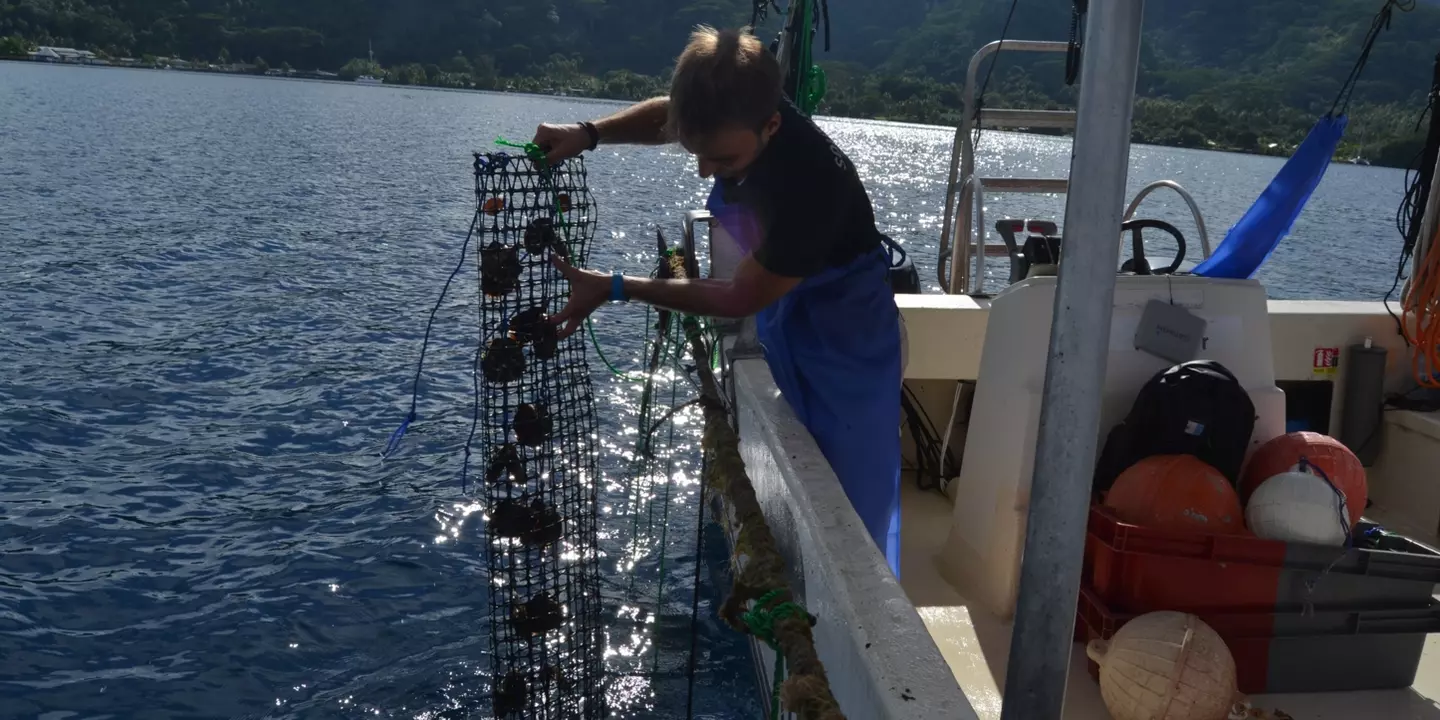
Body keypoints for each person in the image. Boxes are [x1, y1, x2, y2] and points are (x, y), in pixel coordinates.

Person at [533, 26, 903, 576]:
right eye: (697, 153)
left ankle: (868, 597)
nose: (707, 170)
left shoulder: (809, 189)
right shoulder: (740, 110)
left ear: (772, 123)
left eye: (723, 159)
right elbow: (676, 115)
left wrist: (614, 286)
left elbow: (737, 298)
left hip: (846, 317)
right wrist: (589, 133)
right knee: (794, 418)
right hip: (782, 295)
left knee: (859, 490)